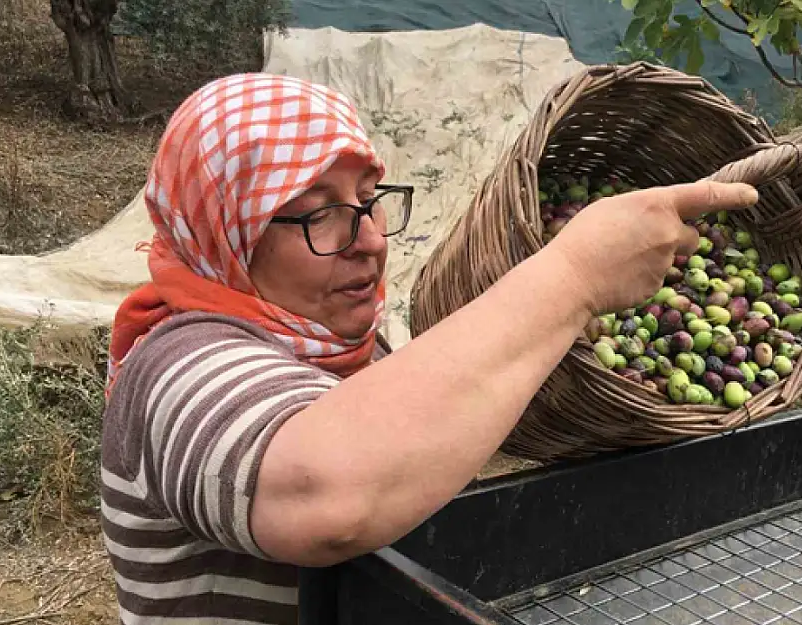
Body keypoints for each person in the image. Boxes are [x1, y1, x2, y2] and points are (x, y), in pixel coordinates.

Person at [98, 72, 759, 625]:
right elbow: (329, 496)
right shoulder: (172, 363)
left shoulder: (356, 352)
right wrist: (575, 276)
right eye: (317, 211)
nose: (370, 240)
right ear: (226, 230)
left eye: (367, 199)